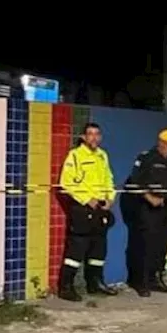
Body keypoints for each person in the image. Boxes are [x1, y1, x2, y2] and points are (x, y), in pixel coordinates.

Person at [57, 123, 117, 302]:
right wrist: (87, 199)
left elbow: (108, 179)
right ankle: (66, 287)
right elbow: (66, 184)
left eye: (97, 134)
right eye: (90, 134)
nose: (93, 137)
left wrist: (110, 198)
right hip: (82, 209)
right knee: (76, 251)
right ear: (83, 137)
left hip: (101, 208)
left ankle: (95, 283)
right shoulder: (75, 155)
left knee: (99, 249)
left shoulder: (102, 156)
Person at [125, 129, 167, 297]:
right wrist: (149, 197)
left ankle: (155, 278)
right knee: (146, 247)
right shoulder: (146, 158)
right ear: (161, 143)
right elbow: (134, 183)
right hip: (150, 211)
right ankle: (140, 282)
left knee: (162, 247)